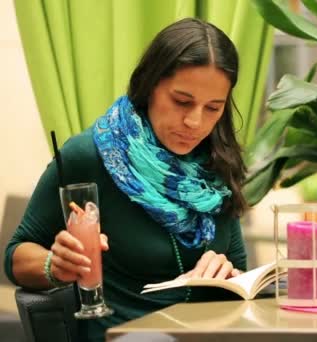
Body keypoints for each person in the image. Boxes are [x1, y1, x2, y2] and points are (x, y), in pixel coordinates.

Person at [4, 18, 248, 341]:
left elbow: (243, 276)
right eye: (182, 101)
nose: (194, 122)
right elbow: (15, 255)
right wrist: (54, 264)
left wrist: (228, 274)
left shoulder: (215, 164)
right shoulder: (88, 156)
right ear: (149, 85)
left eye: (213, 108)